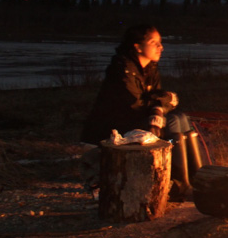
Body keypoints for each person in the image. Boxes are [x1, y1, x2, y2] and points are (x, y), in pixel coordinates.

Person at [80, 24, 197, 196]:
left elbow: (156, 99)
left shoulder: (150, 68)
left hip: (136, 119)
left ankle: (196, 176)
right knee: (171, 120)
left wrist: (160, 105)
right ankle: (178, 184)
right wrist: (163, 102)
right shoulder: (122, 68)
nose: (160, 47)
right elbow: (136, 104)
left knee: (180, 117)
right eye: (154, 42)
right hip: (114, 128)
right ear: (137, 46)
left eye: (160, 42)